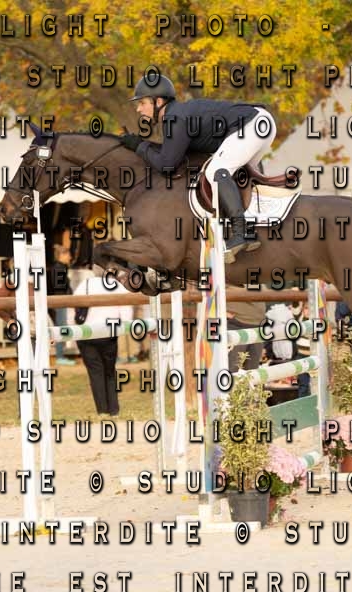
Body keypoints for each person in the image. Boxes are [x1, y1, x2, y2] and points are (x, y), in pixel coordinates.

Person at [120, 72, 275, 263]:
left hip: (252, 124)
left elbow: (167, 165)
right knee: (236, 178)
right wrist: (143, 146)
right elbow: (174, 156)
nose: (138, 109)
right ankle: (254, 225)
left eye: (142, 103)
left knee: (216, 172)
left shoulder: (175, 118)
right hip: (260, 124)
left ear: (158, 101)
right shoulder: (177, 115)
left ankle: (242, 232)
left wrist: (139, 146)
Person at [72, 269, 120, 416]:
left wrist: (71, 332)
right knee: (110, 372)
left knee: (95, 373)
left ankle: (102, 410)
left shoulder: (84, 284)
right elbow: (125, 309)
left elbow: (72, 306)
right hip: (109, 333)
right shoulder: (116, 285)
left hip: (86, 333)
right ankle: (114, 409)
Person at [48, 246, 76, 366]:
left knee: (61, 327)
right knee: (60, 328)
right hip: (60, 302)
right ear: (61, 255)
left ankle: (60, 354)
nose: (70, 257)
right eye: (68, 255)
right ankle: (59, 355)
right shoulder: (59, 268)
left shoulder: (60, 267)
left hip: (60, 301)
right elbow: (59, 288)